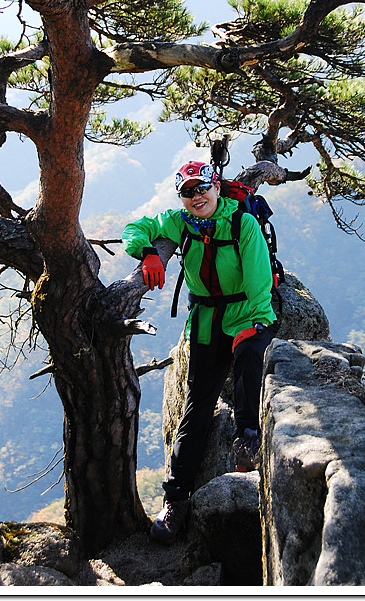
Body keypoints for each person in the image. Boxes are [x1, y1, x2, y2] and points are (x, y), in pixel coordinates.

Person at [122, 160, 277, 544]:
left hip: (248, 312)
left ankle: (248, 443)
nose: (196, 196)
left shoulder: (243, 224)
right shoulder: (179, 221)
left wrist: (250, 327)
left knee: (247, 365)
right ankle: (176, 500)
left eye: (202, 188)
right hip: (207, 319)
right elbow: (134, 227)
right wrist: (148, 253)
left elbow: (260, 284)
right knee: (196, 409)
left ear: (217, 188)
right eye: (188, 191)